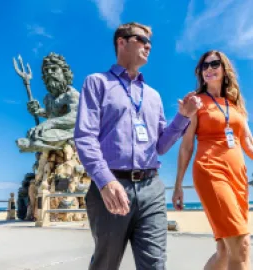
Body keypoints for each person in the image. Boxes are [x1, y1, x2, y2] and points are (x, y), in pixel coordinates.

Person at [74, 22, 202, 270]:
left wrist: (183, 117)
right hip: (112, 185)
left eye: (150, 43)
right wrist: (105, 180)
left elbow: (161, 146)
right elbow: (85, 136)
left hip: (151, 188)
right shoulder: (97, 83)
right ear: (121, 42)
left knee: (155, 265)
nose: (148, 46)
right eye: (142, 40)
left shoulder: (152, 95)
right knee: (106, 263)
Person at [172, 50, 253, 270]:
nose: (208, 69)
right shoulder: (197, 103)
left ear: (224, 68)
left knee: (225, 251)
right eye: (204, 66)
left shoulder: (235, 104)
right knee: (242, 244)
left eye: (214, 64)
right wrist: (178, 184)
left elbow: (247, 141)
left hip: (238, 177)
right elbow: (187, 145)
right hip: (210, 172)